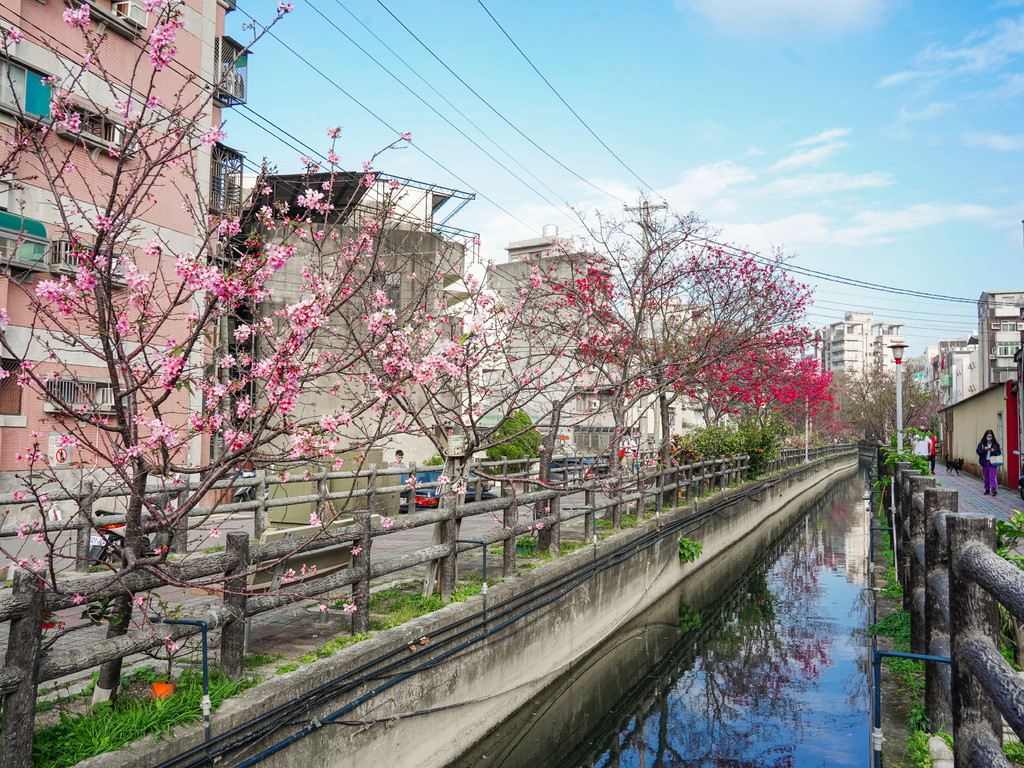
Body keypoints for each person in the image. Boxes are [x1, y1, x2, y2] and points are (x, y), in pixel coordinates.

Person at [976, 429, 1002, 496]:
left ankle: (993, 489)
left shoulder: (995, 444)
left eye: (990, 436)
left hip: (993, 462)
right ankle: (987, 489)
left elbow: (999, 452)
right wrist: (985, 449)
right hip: (985, 462)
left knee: (992, 476)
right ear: (985, 436)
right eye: (988, 436)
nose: (989, 438)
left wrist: (993, 451)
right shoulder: (982, 444)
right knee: (986, 477)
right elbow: (978, 452)